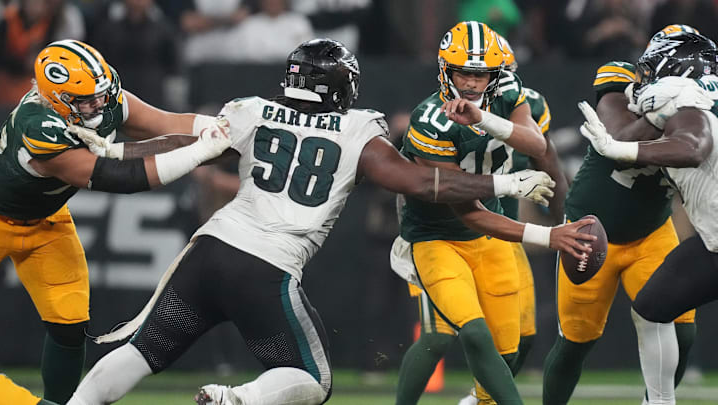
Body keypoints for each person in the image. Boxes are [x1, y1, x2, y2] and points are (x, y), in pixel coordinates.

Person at [63, 38, 592, 405]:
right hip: (266, 270)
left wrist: (113, 149)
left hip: (208, 252)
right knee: (313, 381)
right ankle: (239, 396)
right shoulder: (356, 129)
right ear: (342, 87)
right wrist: (504, 183)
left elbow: (180, 139)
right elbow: (419, 182)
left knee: (141, 352)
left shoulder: (252, 111)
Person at [0, 39, 231, 404]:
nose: (97, 104)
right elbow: (117, 177)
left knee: (70, 325)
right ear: (57, 98)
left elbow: (162, 123)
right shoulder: (38, 126)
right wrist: (202, 152)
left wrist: (223, 129)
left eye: (100, 94)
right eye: (84, 100)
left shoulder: (101, 99)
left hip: (45, 221)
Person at [392, 22, 591, 405]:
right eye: (463, 72)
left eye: (480, 73)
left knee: (513, 347)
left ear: (497, 75)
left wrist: (483, 119)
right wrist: (544, 228)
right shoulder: (430, 120)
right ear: (445, 71)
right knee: (464, 334)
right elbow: (466, 208)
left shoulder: (513, 96)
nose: (469, 82)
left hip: (494, 234)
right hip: (438, 236)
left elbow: (538, 144)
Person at [545, 29, 715, 405]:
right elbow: (616, 136)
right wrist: (665, 108)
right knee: (575, 341)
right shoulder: (623, 79)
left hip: (652, 230)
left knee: (681, 331)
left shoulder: (700, 106)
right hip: (593, 227)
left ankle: (655, 400)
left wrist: (682, 104)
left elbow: (695, 145)